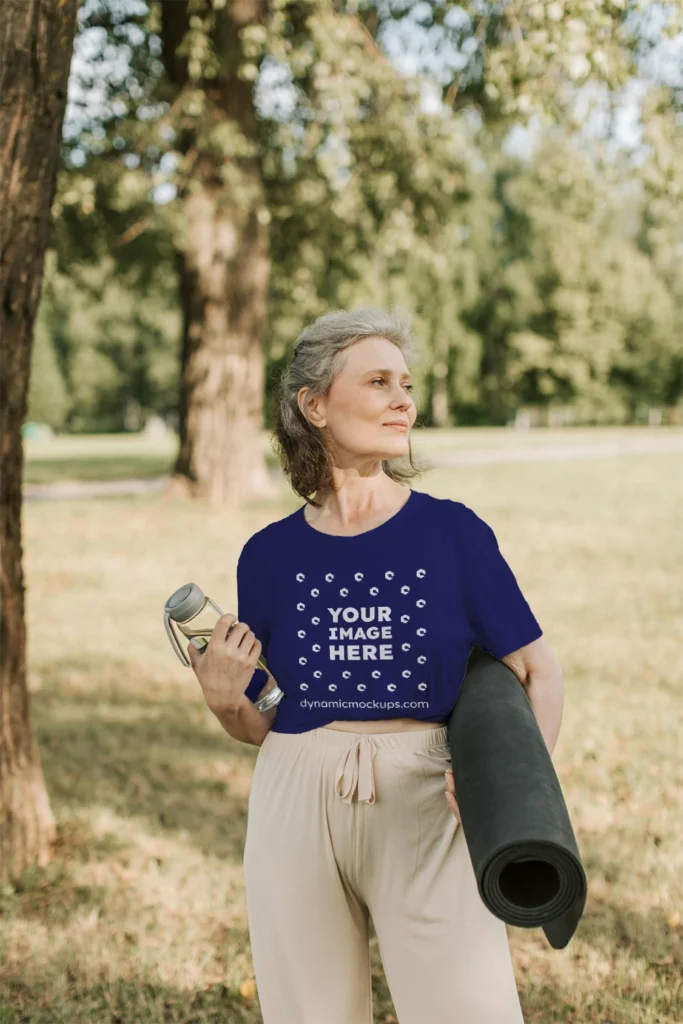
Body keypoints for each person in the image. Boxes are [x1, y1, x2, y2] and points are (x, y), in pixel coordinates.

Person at [188, 307, 556, 1024]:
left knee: (467, 1010)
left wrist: (511, 796)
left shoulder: (452, 532)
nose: (402, 401)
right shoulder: (266, 555)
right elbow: (261, 725)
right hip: (293, 790)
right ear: (314, 404)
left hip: (427, 792)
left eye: (406, 384)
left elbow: (537, 669)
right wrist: (224, 697)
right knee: (308, 1012)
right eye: (379, 381)